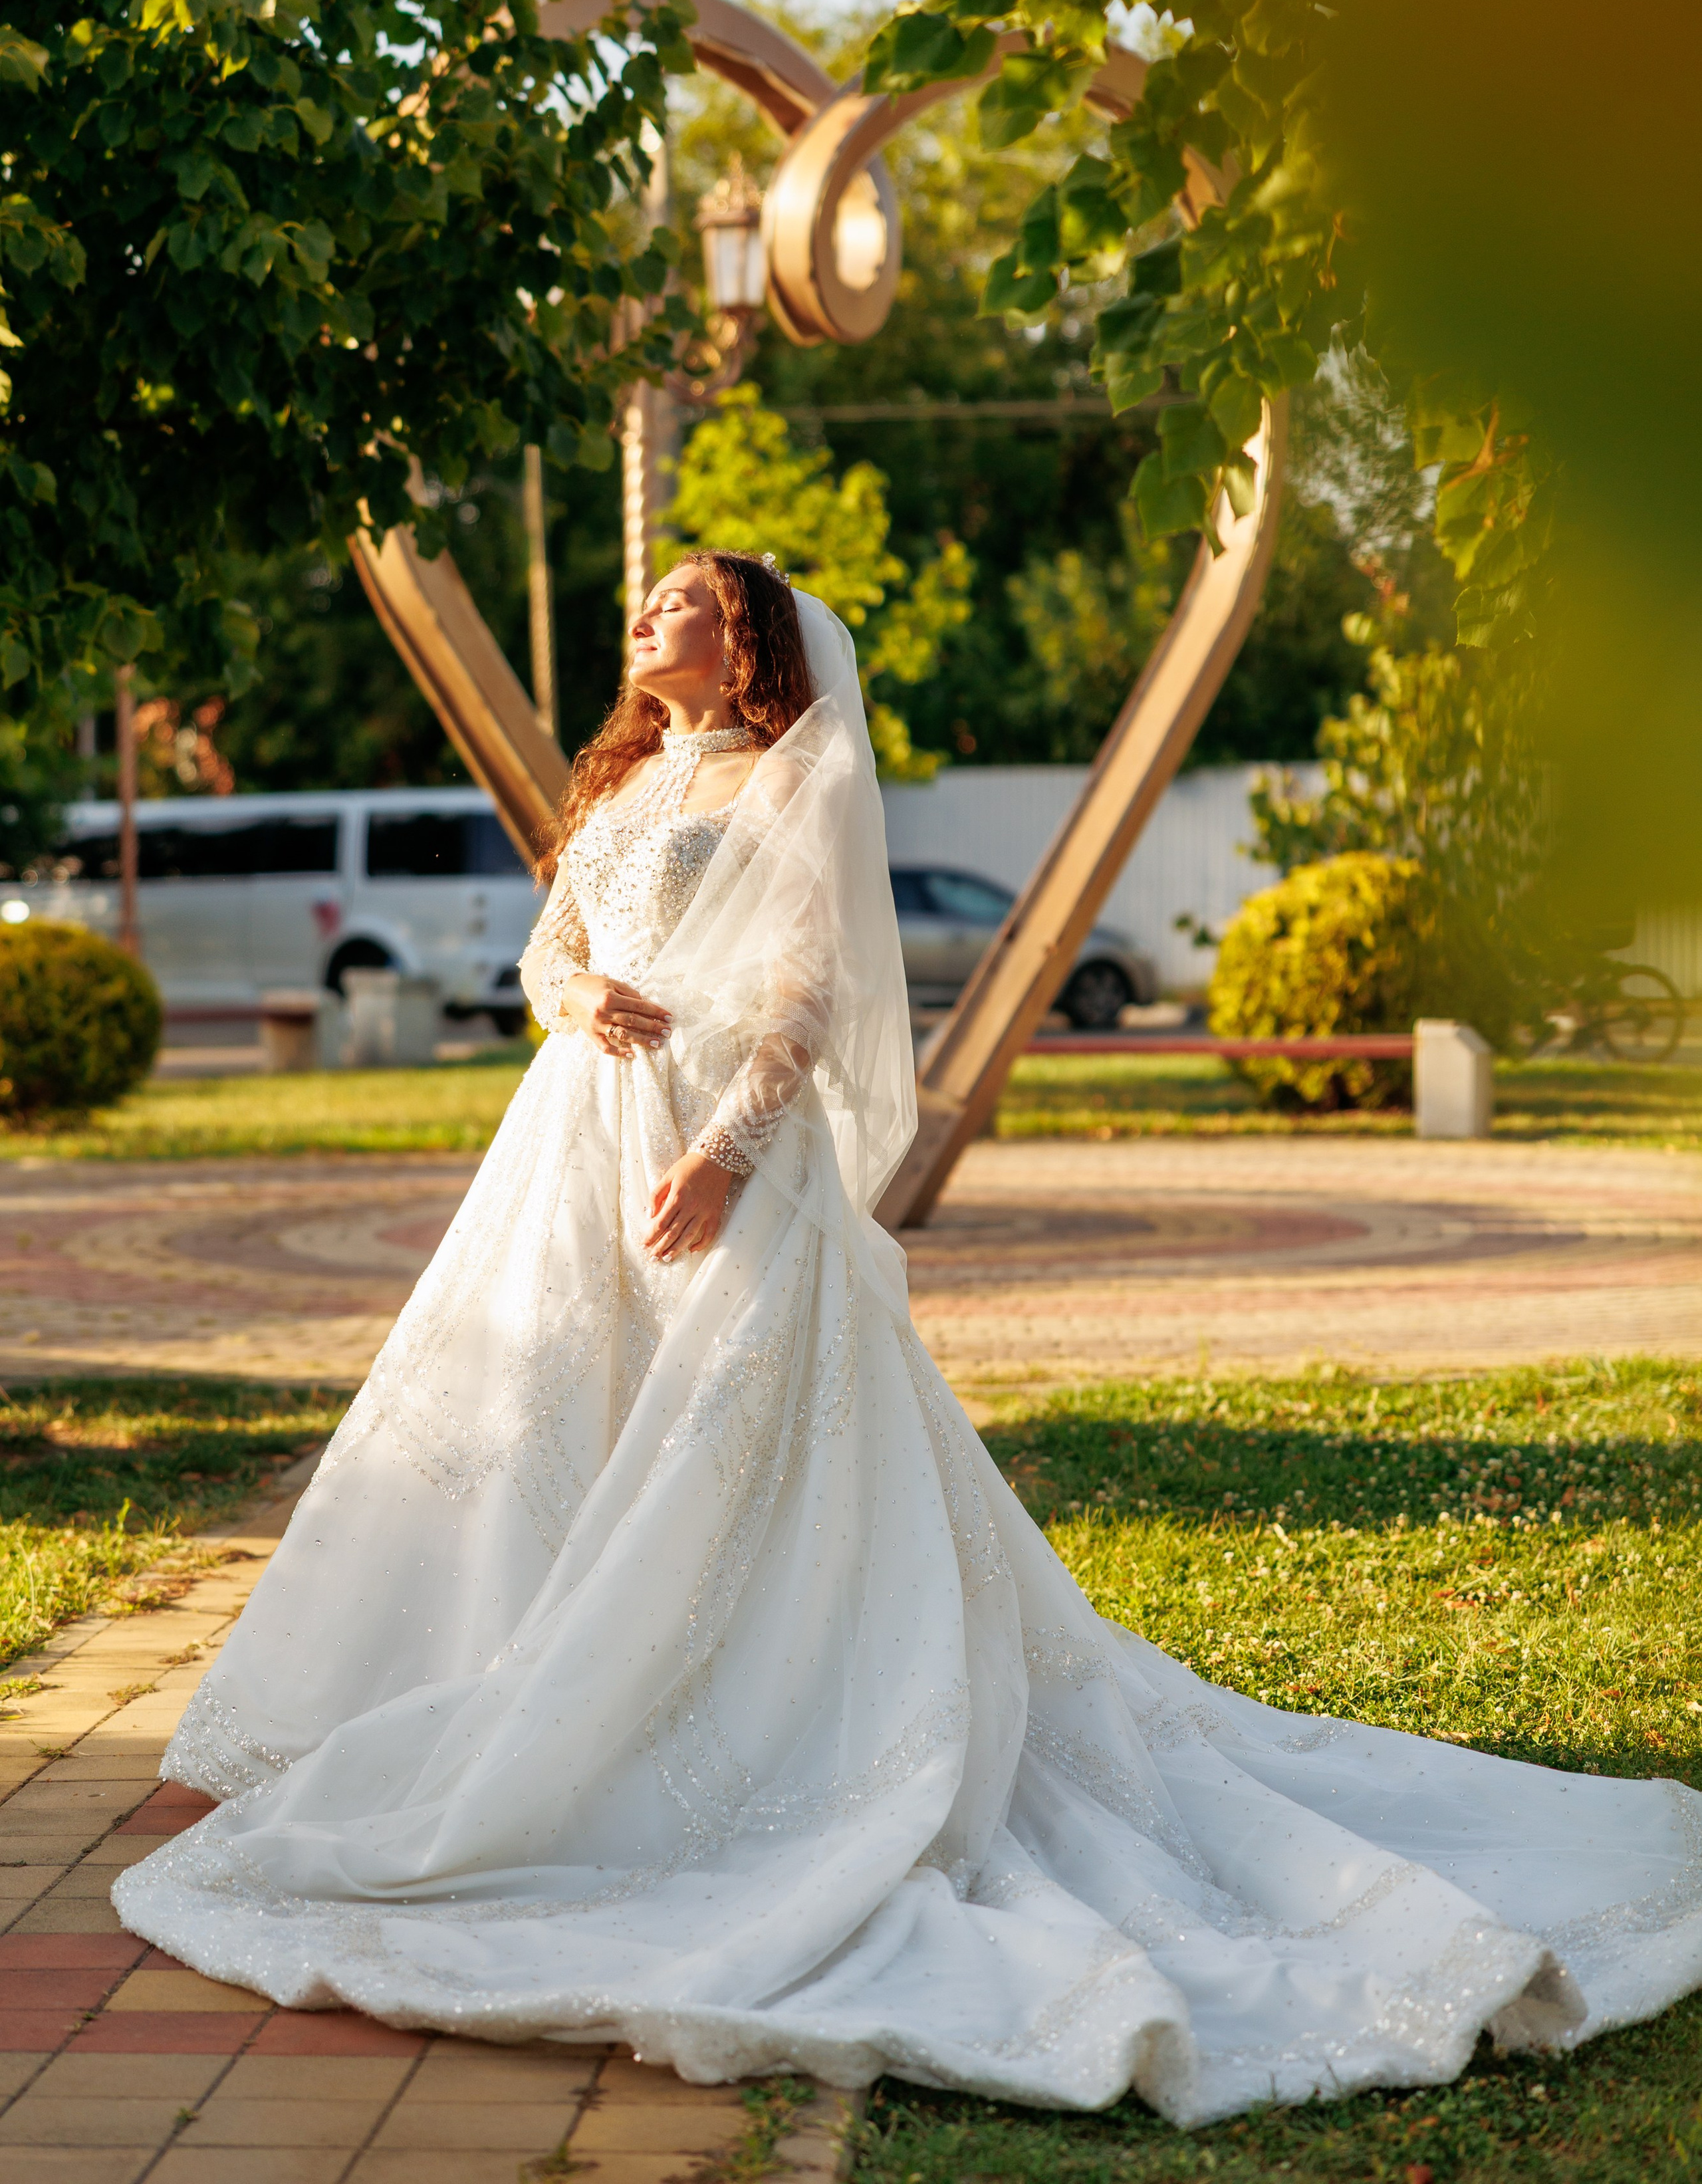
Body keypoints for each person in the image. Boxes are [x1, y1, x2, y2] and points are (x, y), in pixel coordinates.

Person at [116, 552, 1701, 2125]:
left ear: (744, 644)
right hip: (577, 1143)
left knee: (718, 1441)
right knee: (542, 1413)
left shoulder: (787, 786)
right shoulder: (623, 781)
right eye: (647, 600)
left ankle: (728, 1727)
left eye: (680, 603)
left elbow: (804, 1000)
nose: (646, 616)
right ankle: (507, 1696)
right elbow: (550, 950)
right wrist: (577, 999)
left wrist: (721, 1158)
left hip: (717, 1158)